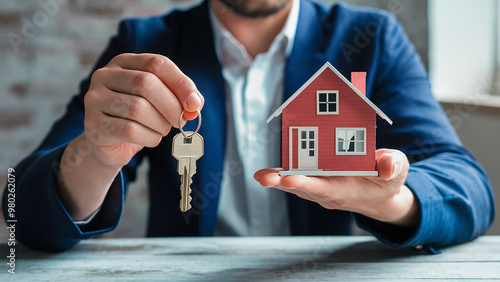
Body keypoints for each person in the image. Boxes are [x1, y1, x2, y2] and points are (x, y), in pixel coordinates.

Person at [3, 0, 495, 252]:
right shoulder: (145, 43)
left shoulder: (373, 40)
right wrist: (96, 154)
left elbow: (470, 189)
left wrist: (393, 201)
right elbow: (18, 207)